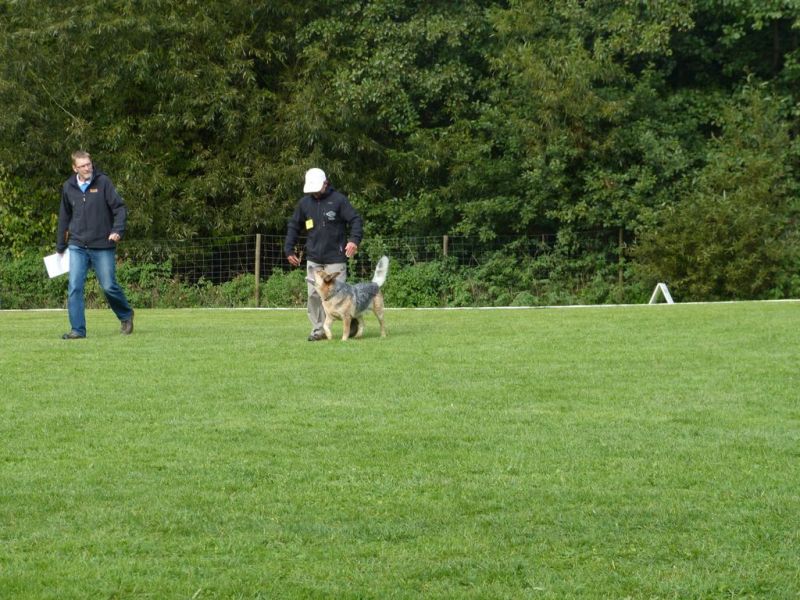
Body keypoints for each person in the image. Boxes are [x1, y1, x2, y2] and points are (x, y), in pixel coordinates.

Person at [56, 150, 134, 339]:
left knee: (108, 286)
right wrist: (60, 246)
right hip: (77, 244)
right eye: (82, 166)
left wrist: (117, 230)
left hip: (102, 244)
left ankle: (126, 314)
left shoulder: (103, 182)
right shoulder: (68, 187)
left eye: (88, 164)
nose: (87, 168)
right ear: (75, 168)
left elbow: (119, 208)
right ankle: (77, 330)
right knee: (74, 287)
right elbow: (64, 217)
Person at [285, 167, 363, 341]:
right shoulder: (304, 204)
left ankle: (352, 324)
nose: (314, 192)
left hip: (335, 257)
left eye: (317, 188)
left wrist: (354, 240)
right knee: (314, 295)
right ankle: (318, 330)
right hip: (314, 258)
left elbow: (355, 220)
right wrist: (289, 249)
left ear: (325, 183)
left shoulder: (339, 200)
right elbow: (294, 226)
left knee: (340, 295)